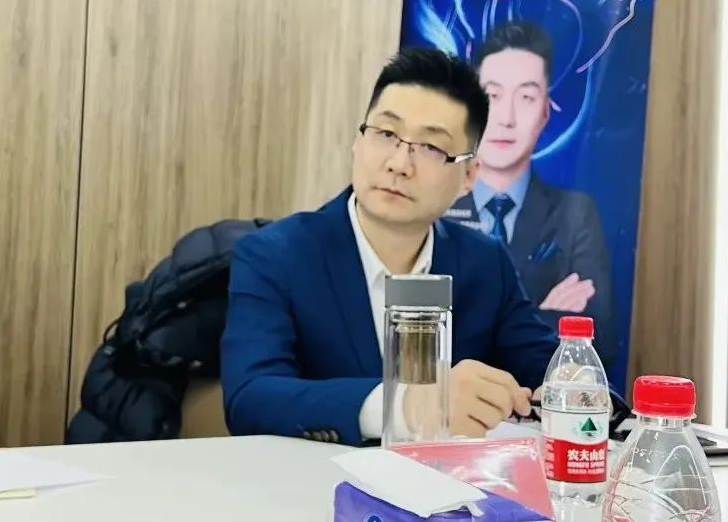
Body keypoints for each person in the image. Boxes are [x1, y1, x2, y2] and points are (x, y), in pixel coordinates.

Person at [220, 48, 557, 447]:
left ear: (468, 175)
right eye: (385, 134)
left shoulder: (484, 263)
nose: (399, 163)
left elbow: (552, 371)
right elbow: (250, 398)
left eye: (431, 148)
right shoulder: (275, 254)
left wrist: (584, 391)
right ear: (357, 142)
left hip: (446, 482)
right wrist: (406, 407)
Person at [445, 21, 617, 366]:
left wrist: (475, 334)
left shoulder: (575, 213)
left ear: (545, 112)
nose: (506, 118)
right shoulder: (437, 206)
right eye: (492, 96)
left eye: (525, 97)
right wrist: (541, 316)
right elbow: (418, 338)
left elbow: (598, 342)